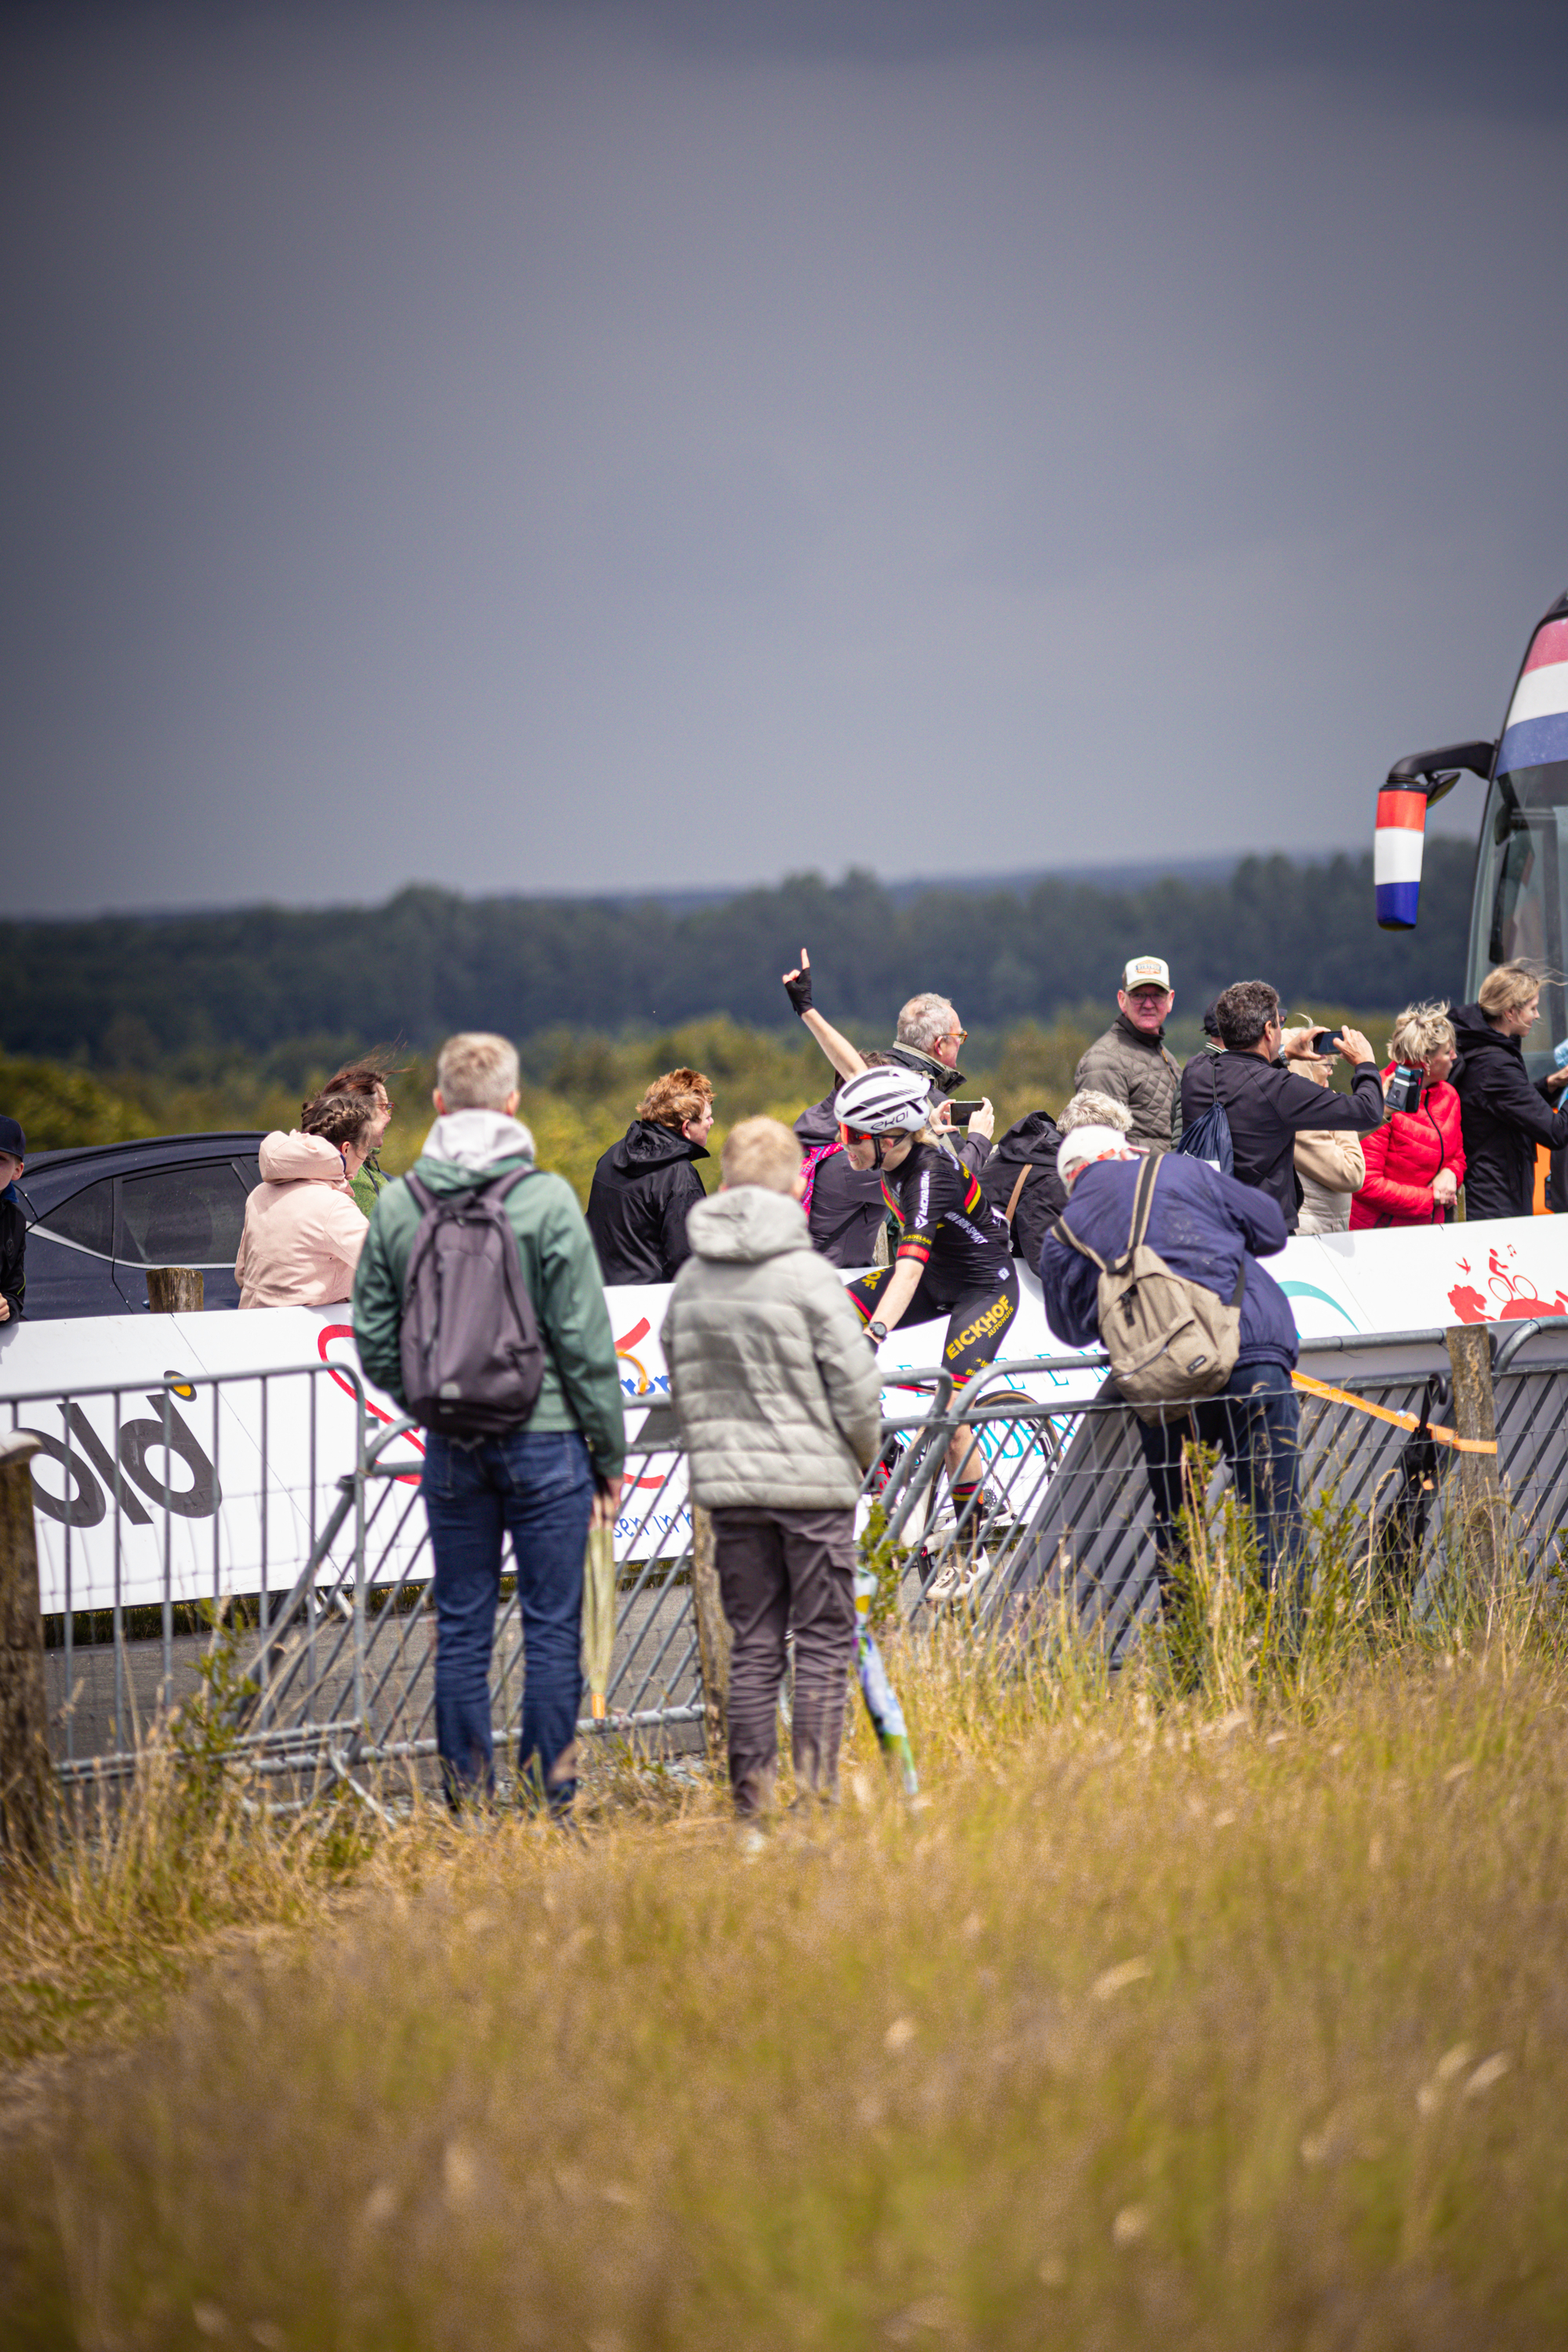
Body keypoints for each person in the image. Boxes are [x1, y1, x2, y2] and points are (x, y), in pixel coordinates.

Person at [352, 1032, 626, 1812]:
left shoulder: (400, 1202)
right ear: (513, 1104)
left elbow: (371, 1333)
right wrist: (607, 1452)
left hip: (451, 1445)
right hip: (546, 1445)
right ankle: (552, 1797)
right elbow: (583, 1344)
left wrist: (430, 1397)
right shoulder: (542, 1200)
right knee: (550, 1625)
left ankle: (466, 1803)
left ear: (438, 1104)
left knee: (462, 1623)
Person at [662, 1116, 882, 1818]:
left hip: (731, 1491)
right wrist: (859, 1460)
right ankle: (816, 1800)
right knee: (820, 1641)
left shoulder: (693, 1280)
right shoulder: (810, 1276)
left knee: (754, 1644)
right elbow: (855, 1389)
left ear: (724, 1184)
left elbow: (680, 1370)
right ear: (796, 1185)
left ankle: (751, 1810)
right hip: (815, 1485)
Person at [1040, 1123, 1304, 1595]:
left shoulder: (1062, 1235)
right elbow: (1270, 1228)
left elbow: (1070, 1328)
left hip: (1164, 1381)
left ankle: (1194, 1663)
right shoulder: (1180, 1170)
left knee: (1180, 1531)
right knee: (1274, 1515)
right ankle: (1285, 1659)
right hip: (1249, 1350)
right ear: (1125, 1153)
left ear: (1072, 1182)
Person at [835, 1065, 1018, 1595]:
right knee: (827, 1315)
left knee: (954, 1422)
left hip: (983, 1287)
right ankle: (884, 1455)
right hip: (939, 1275)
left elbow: (908, 1270)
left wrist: (875, 1335)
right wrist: (807, 1011)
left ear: (888, 1138)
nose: (843, 1143)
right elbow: (853, 1067)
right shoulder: (891, 1147)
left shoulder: (928, 1174)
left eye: (851, 1136)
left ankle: (974, 1549)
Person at [1179, 982, 1383, 1232]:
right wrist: (1365, 1063)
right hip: (1263, 1233)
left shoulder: (1195, 1072)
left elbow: (1244, 1078)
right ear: (1268, 1030)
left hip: (1208, 1222)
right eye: (1279, 1023)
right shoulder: (1281, 1089)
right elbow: (1368, 1112)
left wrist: (1285, 1055)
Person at [780, 951, 996, 1170]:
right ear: (939, 1045)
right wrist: (980, 1139)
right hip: (838, 1170)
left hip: (800, 1167)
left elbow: (853, 1068)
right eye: (960, 1036)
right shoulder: (914, 1089)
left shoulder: (880, 1069)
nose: (962, 1042)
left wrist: (805, 1008)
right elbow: (960, 1178)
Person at [1450, 964, 1568, 1221]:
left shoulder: (1485, 1049)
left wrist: (1552, 1082)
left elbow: (1512, 1102)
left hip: (1495, 1191)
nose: (1537, 1016)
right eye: (1533, 1008)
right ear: (1511, 1012)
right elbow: (1556, 1132)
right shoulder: (1496, 1065)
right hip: (1498, 1200)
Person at [235, 1093, 374, 1309]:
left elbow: (242, 1274)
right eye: (366, 1151)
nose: (364, 1162)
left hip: (250, 1328)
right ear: (346, 1149)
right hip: (303, 1336)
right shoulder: (333, 1206)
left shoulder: (259, 1193)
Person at [586, 1067, 714, 1284]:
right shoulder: (680, 1175)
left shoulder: (610, 1157)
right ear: (686, 1128)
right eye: (707, 1118)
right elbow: (689, 1261)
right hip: (650, 1309)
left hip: (602, 1299)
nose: (711, 1123)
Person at [1350, 1004, 1465, 1231]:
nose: (1455, 1056)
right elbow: (1365, 1183)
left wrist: (1451, 1173)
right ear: (1427, 1060)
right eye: (1447, 1051)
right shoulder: (1379, 1097)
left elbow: (1458, 1156)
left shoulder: (1449, 1096)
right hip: (1380, 1236)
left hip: (1432, 1230)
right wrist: (1430, 1198)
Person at [1073, 956, 1183, 1150]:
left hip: (1166, 1178)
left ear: (1170, 1000)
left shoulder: (1165, 1055)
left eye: (1157, 995)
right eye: (1138, 995)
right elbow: (1100, 1152)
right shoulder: (1103, 1062)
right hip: (1139, 1180)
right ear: (1122, 1000)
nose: (1148, 1004)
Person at [793, 1073, 891, 1268]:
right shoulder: (853, 1163)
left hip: (807, 1269)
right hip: (837, 1280)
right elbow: (927, 1184)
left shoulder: (815, 1131)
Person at [312, 1058, 397, 1216]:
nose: (388, 1117)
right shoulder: (353, 1177)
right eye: (384, 1108)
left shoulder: (360, 1167)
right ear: (363, 1112)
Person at [1293, 1058, 1367, 1236]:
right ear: (1303, 1065)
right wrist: (1337, 1107)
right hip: (1312, 1235)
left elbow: (1334, 1143)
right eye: (1327, 1064)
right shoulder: (1300, 1114)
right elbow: (1352, 1172)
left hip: (1323, 1228)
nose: (1331, 1072)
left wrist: (1384, 1110)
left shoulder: (1302, 1107)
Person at [0, 1116, 26, 1324]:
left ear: (17, 1171)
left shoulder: (16, 1221)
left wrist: (6, 1310)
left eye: (0, 1159)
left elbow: (15, 1292)